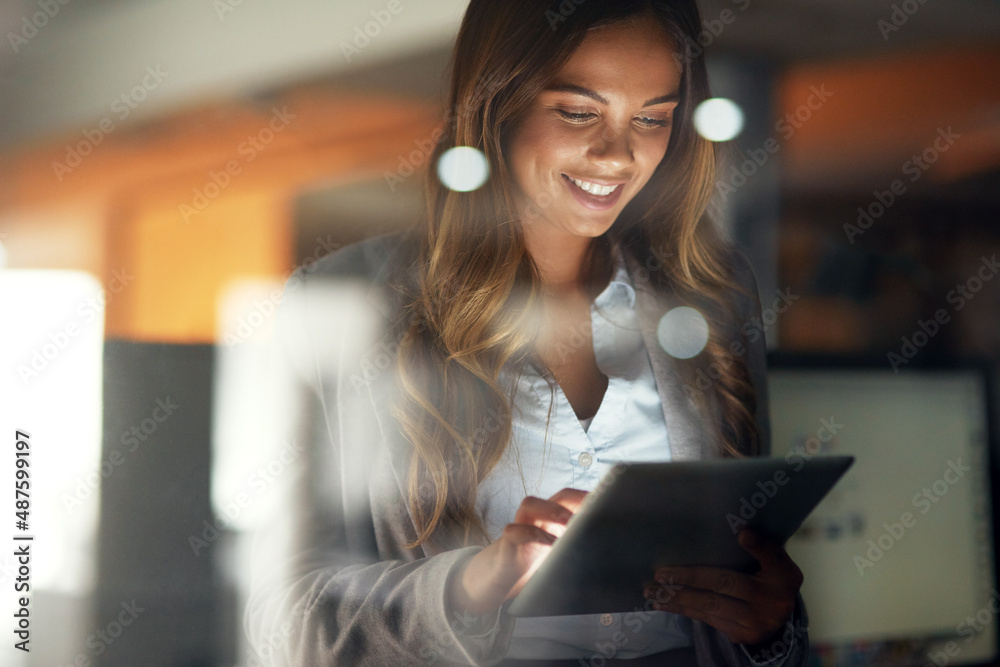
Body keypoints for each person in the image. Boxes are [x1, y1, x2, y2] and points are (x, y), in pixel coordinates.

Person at [247, 1, 809, 665]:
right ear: (496, 106)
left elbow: (753, 578)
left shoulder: (714, 298)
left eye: (653, 119)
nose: (618, 155)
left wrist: (771, 628)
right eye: (577, 112)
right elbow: (281, 617)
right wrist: (469, 586)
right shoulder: (351, 302)